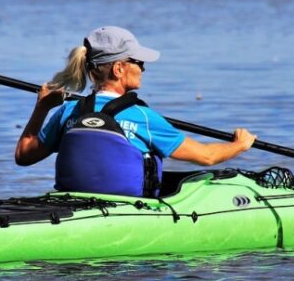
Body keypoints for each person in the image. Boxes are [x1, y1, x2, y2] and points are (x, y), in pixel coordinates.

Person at [15, 26, 256, 197]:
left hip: (74, 204)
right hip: (130, 211)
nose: (143, 68)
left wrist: (42, 107)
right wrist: (240, 145)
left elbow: (24, 155)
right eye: (139, 62)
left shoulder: (68, 111)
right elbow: (206, 156)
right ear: (119, 69)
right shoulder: (142, 117)